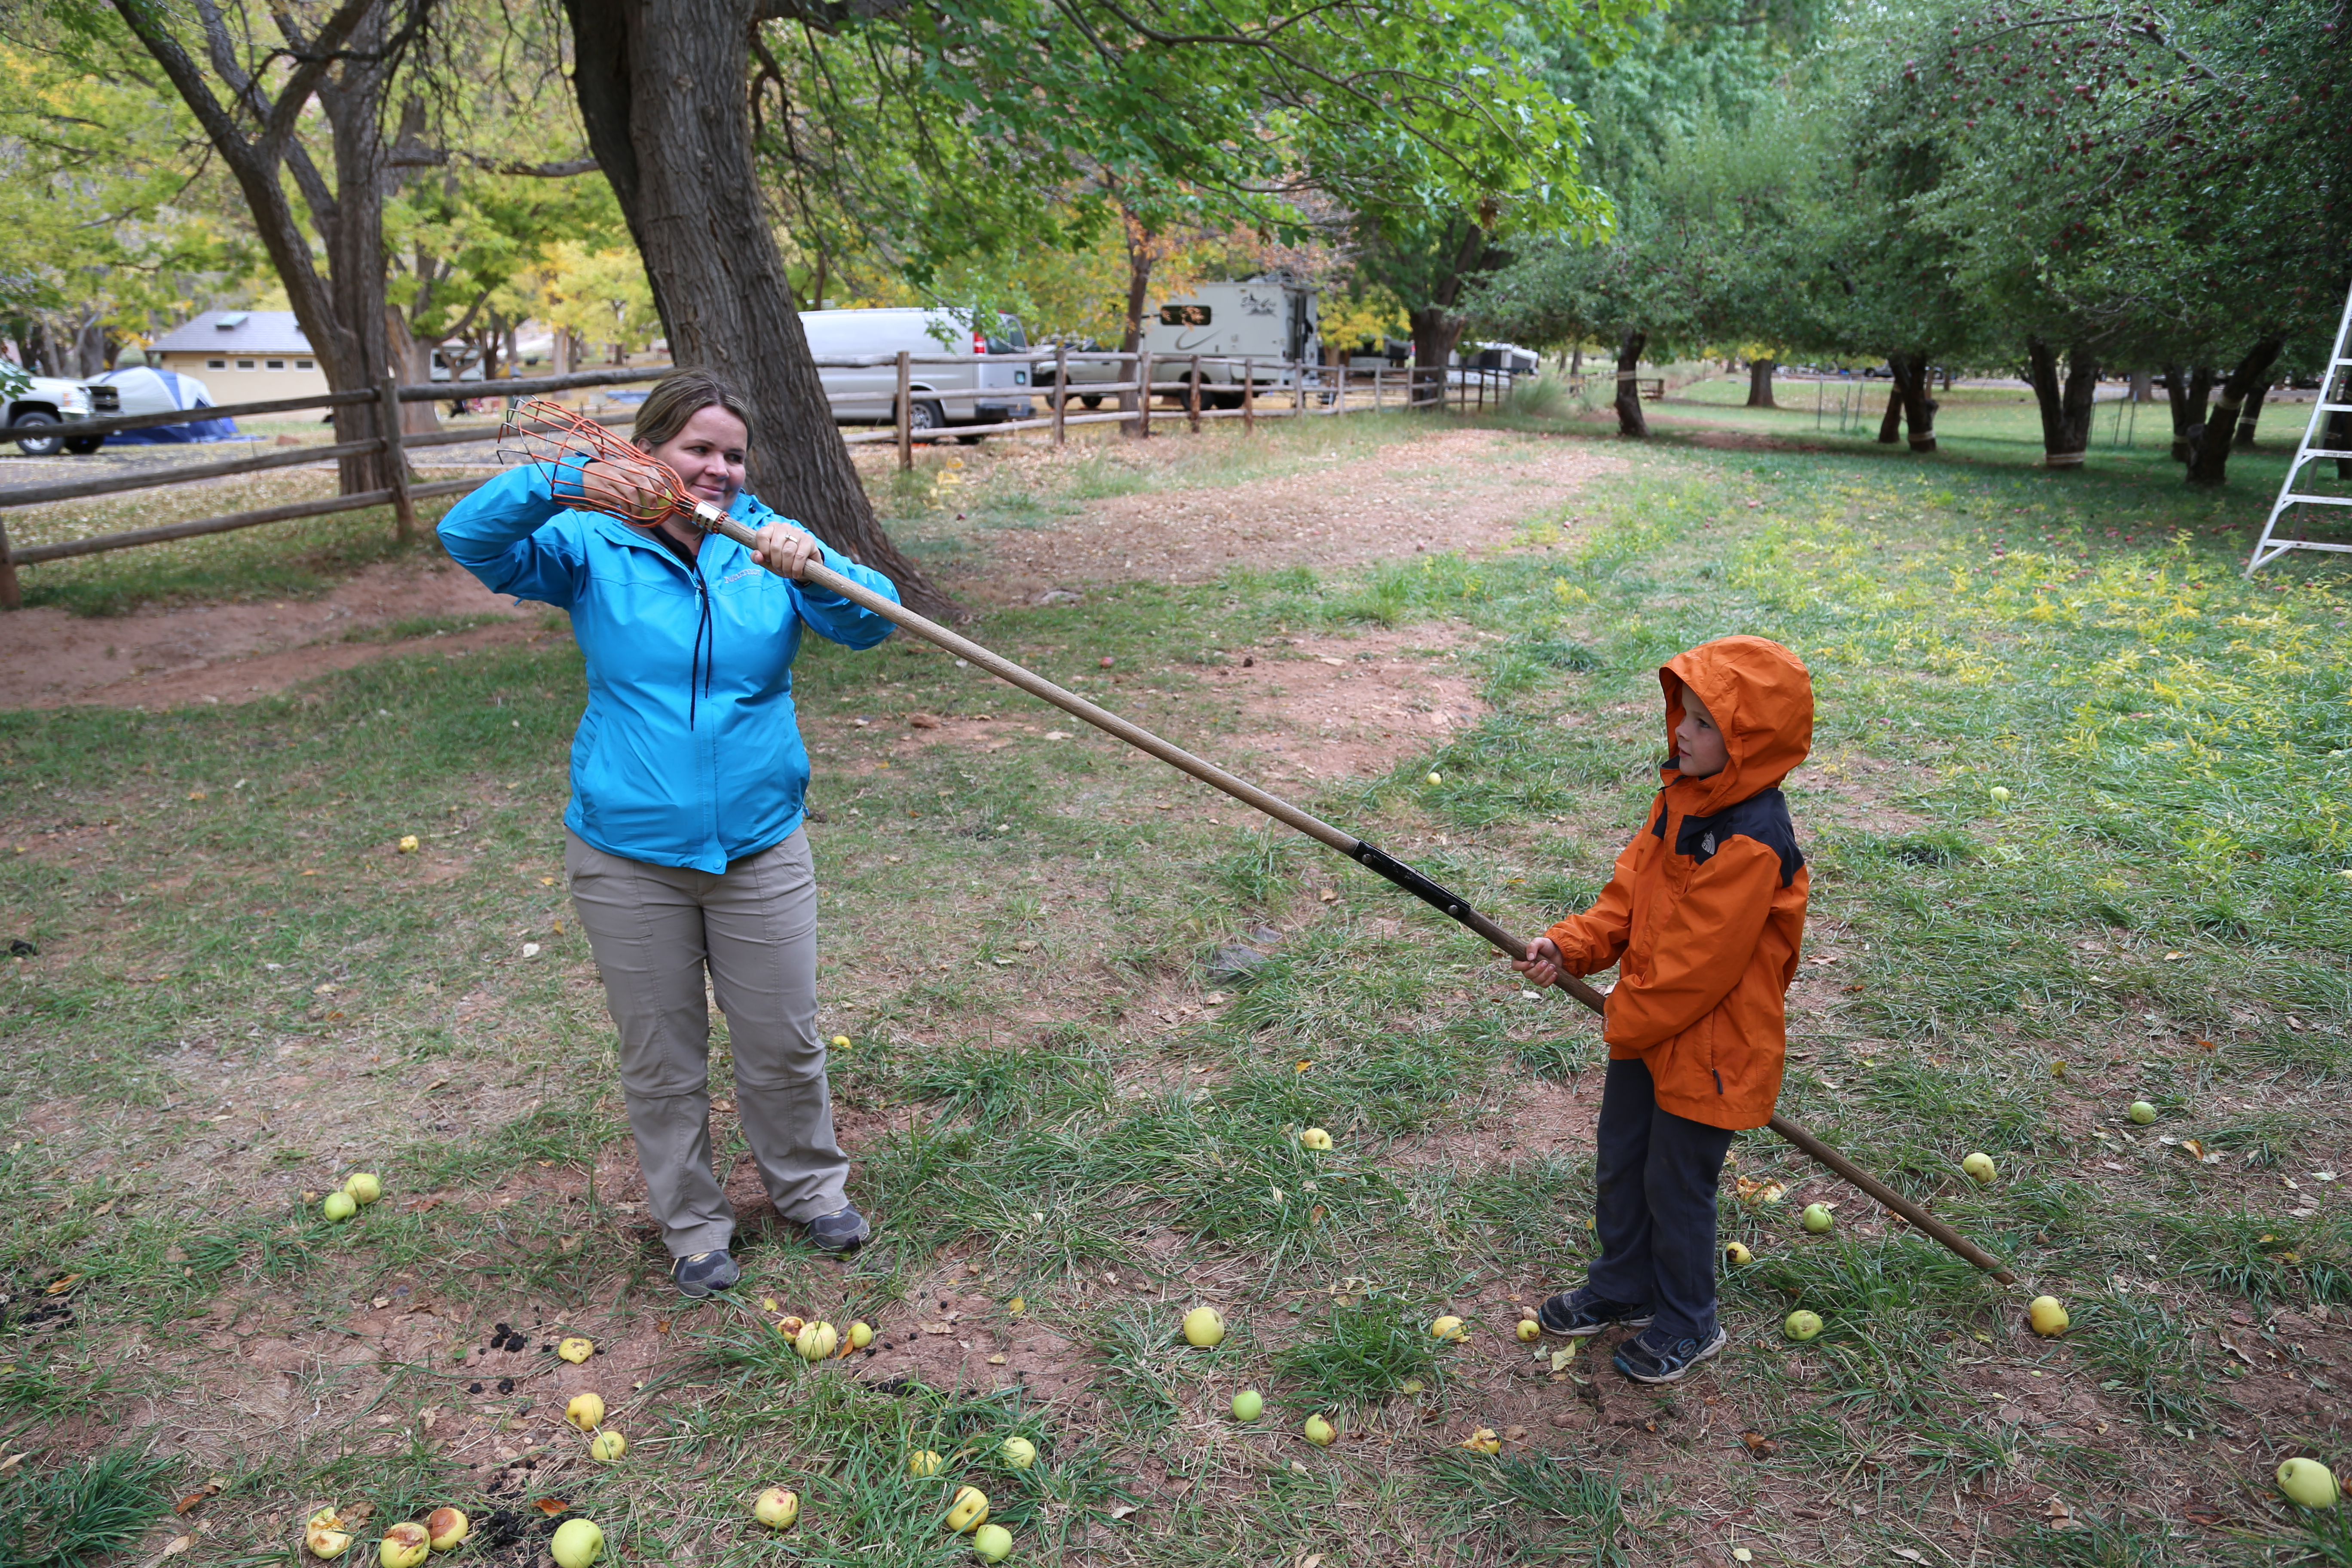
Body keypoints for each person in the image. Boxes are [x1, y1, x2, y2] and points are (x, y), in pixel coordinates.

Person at [437, 369, 898, 1298]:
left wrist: (817, 563)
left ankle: (810, 1191)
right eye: (699, 449)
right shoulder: (587, 546)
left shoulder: (765, 548)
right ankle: (693, 1226)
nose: (719, 468)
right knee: (662, 1054)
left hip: (760, 845)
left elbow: (869, 624)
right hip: (627, 856)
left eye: (733, 453)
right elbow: (468, 540)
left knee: (784, 1040)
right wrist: (562, 482)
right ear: (650, 451)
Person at [1515, 635, 1813, 1383]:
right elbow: (1629, 902)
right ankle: (1624, 1286)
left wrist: (1624, 1016)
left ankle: (1690, 1320)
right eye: (1685, 710)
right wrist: (1570, 945)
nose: (1683, 729)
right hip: (1650, 1034)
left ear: (1748, 743)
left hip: (1712, 1051)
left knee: (1675, 1186)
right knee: (1622, 1163)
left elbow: (1696, 971)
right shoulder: (1678, 802)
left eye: (1707, 722)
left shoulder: (1753, 842)